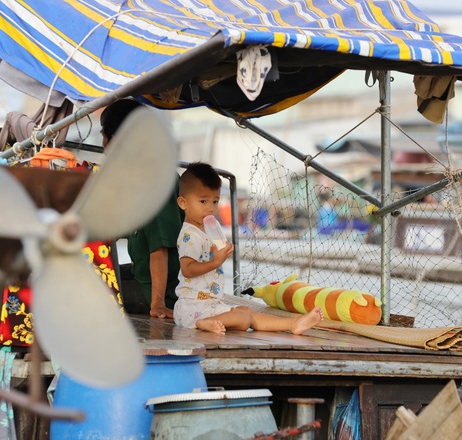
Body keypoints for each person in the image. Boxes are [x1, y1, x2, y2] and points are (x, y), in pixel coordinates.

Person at [173, 162, 324, 334]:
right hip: (192, 309)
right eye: (203, 201)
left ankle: (292, 324)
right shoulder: (190, 235)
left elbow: (209, 256)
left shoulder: (208, 228)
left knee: (247, 312)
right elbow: (188, 269)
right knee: (244, 319)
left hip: (209, 304)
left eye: (215, 201)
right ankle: (204, 323)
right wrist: (215, 262)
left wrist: (220, 252)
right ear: (183, 203)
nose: (210, 207)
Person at [100, 99, 182, 319]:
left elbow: (160, 249)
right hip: (142, 275)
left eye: (104, 136)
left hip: (157, 292)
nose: (103, 145)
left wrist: (157, 304)